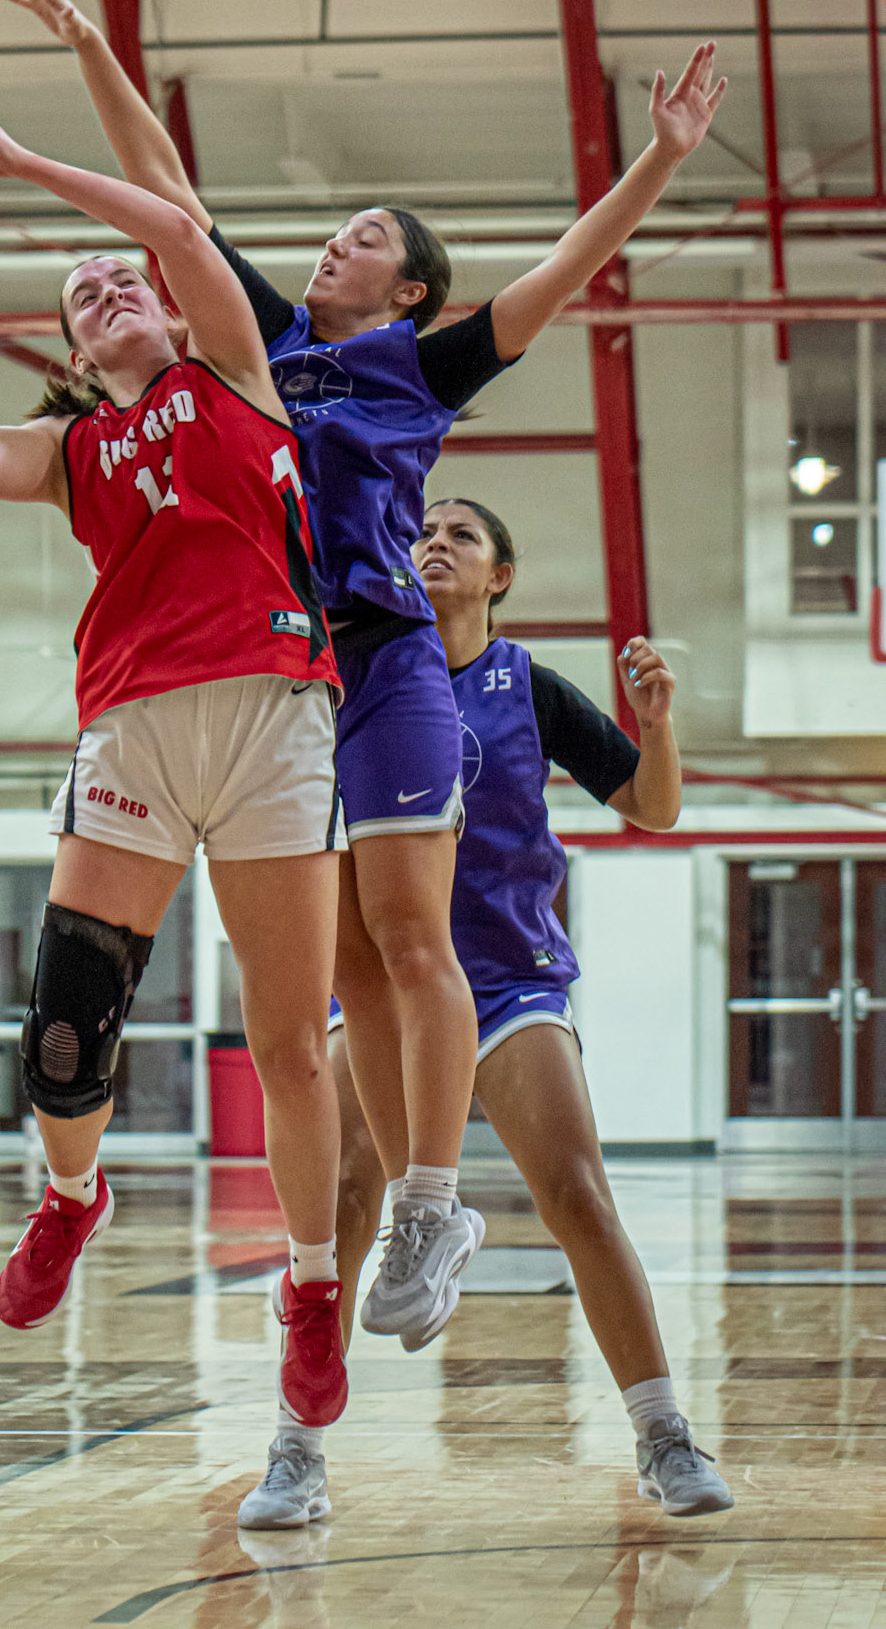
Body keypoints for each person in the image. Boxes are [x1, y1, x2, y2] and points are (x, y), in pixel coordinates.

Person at [0, 0, 727, 1354]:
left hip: (385, 657)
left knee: (406, 932)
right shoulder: (262, 340)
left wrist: (661, 157)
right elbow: (164, 189)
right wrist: (89, 42)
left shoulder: (420, 365)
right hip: (286, 682)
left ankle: (432, 1204)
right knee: (348, 972)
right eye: (337, 230)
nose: (338, 243)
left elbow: (563, 274)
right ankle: (388, 1227)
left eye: (368, 235)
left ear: (412, 289)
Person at [0, 80, 350, 1430]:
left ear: (169, 312)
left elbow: (174, 223)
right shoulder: (75, 448)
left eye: (123, 281)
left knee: (290, 1047)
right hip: (132, 728)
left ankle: (310, 1286)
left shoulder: (233, 371)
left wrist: (24, 163)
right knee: (64, 1032)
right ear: (70, 350)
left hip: (276, 716)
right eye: (82, 294)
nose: (109, 288)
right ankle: (70, 1194)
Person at [238, 498, 734, 1527]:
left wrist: (657, 725)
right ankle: (296, 1450)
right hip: (383, 991)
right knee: (339, 1200)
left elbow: (652, 808)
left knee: (577, 1193)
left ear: (500, 575)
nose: (435, 541)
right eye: (425, 530)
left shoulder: (526, 685)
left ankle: (662, 1433)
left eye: (462, 534)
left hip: (506, 980)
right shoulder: (353, 680)